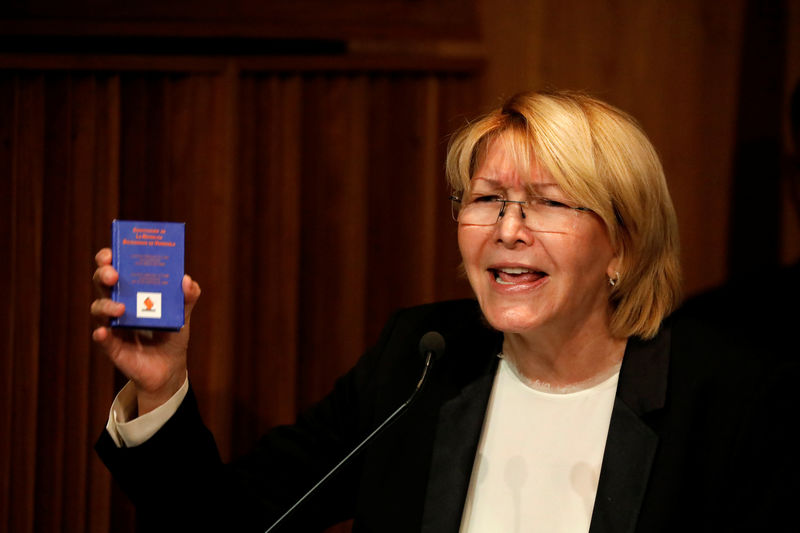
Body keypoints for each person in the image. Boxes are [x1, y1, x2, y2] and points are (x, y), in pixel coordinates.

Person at [92, 90, 789, 532]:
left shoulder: (727, 395)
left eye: (547, 202)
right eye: (485, 199)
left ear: (623, 244)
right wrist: (159, 388)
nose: (508, 230)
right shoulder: (419, 359)